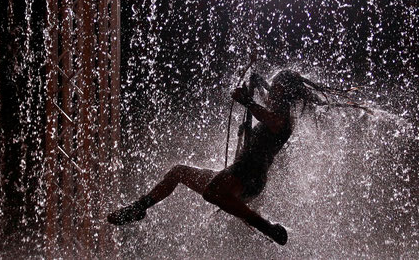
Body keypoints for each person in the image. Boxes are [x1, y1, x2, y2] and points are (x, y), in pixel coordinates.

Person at [107, 70, 356, 246]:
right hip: (239, 170)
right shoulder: (275, 112)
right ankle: (138, 208)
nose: (271, 91)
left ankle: (266, 227)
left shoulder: (285, 118)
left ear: (284, 92)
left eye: (275, 87)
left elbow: (272, 121)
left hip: (250, 176)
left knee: (212, 193)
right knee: (178, 172)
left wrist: (248, 101)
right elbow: (262, 123)